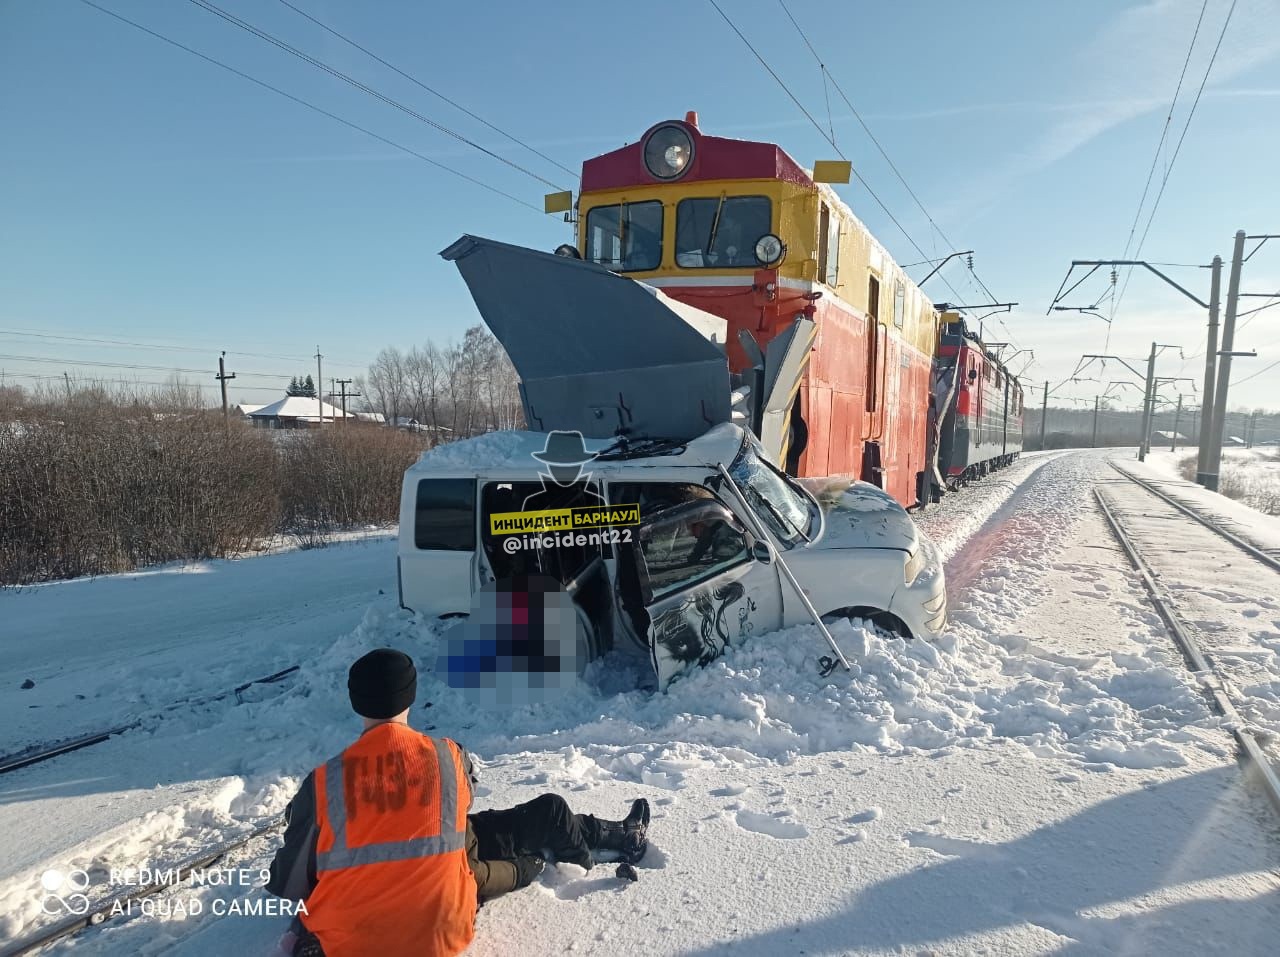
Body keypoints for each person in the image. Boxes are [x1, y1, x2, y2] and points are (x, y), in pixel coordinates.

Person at [266, 649, 650, 957]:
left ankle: (601, 840)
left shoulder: (323, 783)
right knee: (540, 817)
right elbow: (461, 809)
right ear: (411, 695)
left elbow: (289, 881)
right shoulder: (448, 756)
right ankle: (601, 845)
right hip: (443, 929)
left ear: (355, 701)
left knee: (502, 830)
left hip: (347, 942)